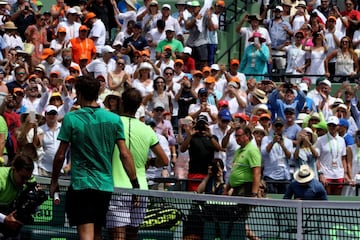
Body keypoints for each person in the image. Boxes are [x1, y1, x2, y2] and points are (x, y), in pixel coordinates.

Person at [50, 76, 139, 240]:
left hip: (82, 186)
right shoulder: (114, 119)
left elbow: (60, 155)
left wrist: (54, 181)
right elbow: (125, 154)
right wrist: (135, 185)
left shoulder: (72, 118)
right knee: (96, 234)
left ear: (80, 94)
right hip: (104, 188)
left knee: (86, 236)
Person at [106, 88, 168, 240]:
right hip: (141, 190)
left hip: (117, 188)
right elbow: (164, 160)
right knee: (132, 236)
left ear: (121, 102)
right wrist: (151, 162)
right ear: (139, 105)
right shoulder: (147, 130)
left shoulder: (112, 124)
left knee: (118, 237)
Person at [0, 153, 36, 239]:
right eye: (23, 177)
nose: (25, 181)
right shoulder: (1, 177)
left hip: (7, 212)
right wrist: (4, 219)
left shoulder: (29, 180)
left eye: (28, 178)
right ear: (14, 169)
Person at [224, 126, 261, 197]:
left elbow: (257, 174)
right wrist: (226, 190)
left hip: (246, 189)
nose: (236, 139)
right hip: (236, 189)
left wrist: (254, 193)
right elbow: (234, 171)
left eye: (239, 136)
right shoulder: (238, 151)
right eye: (235, 136)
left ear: (247, 135)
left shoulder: (252, 150)